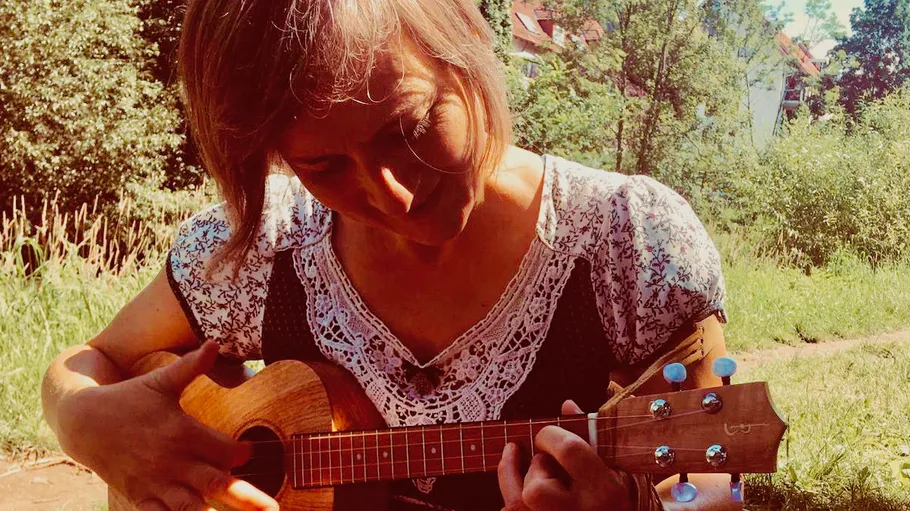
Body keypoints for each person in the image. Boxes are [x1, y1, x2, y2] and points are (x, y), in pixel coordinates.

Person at [41, 1, 738, 510]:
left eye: (409, 127)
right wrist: (82, 418)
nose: (393, 194)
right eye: (323, 165)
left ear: (465, 35)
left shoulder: (629, 242)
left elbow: (715, 470)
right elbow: (88, 363)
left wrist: (636, 506)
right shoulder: (263, 248)